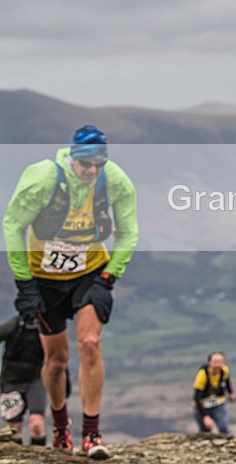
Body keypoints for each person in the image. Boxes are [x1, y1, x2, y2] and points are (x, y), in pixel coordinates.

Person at [2, 124, 138, 459]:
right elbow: (13, 225)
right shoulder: (43, 178)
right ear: (73, 159)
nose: (92, 171)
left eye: (98, 164)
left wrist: (108, 278)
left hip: (89, 273)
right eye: (85, 165)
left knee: (90, 344)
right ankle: (61, 427)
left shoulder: (115, 181)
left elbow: (128, 233)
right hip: (44, 278)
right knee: (57, 360)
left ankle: (91, 433)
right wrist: (25, 284)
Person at [0, 313, 46, 446]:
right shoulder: (14, 325)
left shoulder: (45, 327)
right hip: (10, 382)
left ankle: (39, 457)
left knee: (36, 423)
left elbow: (56, 355)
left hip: (36, 380)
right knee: (14, 429)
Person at [191, 351, 236, 434]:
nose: (218, 365)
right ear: (209, 363)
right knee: (205, 430)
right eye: (215, 362)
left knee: (223, 427)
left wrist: (231, 393)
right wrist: (205, 416)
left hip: (218, 403)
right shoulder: (203, 374)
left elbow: (227, 382)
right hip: (202, 405)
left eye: (221, 362)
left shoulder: (224, 370)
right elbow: (197, 396)